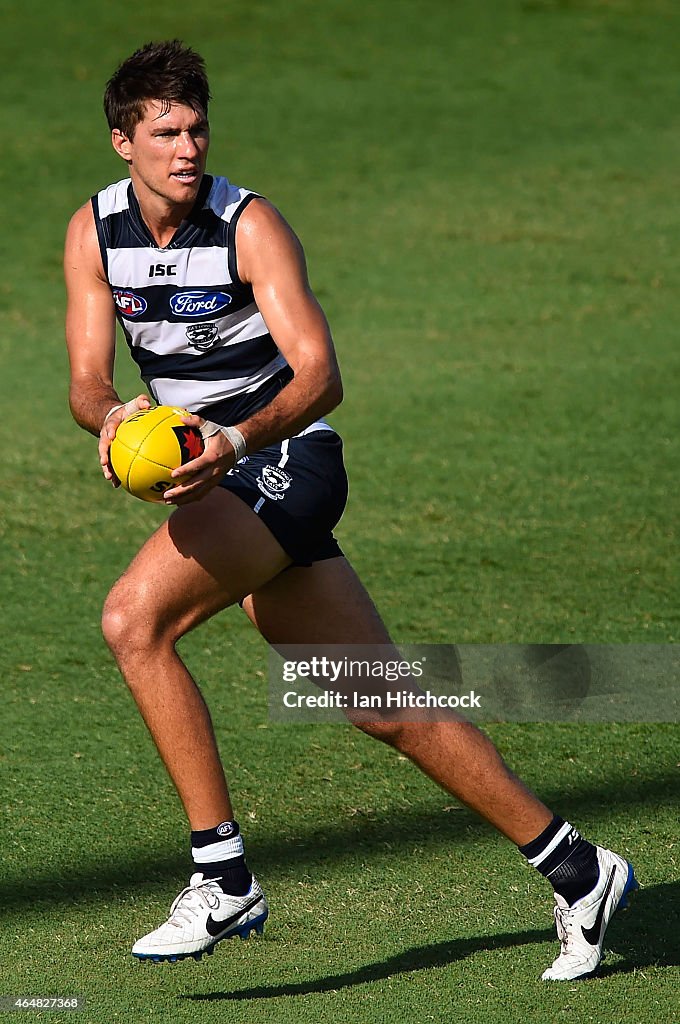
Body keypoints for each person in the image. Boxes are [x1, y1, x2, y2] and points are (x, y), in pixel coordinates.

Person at [64, 40, 637, 980]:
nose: (187, 146)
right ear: (122, 140)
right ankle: (579, 868)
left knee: (134, 622)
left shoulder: (250, 226)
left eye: (197, 127)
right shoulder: (94, 233)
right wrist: (114, 414)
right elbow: (88, 381)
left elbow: (322, 374)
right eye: (164, 131)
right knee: (384, 705)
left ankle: (223, 876)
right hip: (220, 476)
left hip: (285, 460)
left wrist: (235, 443)